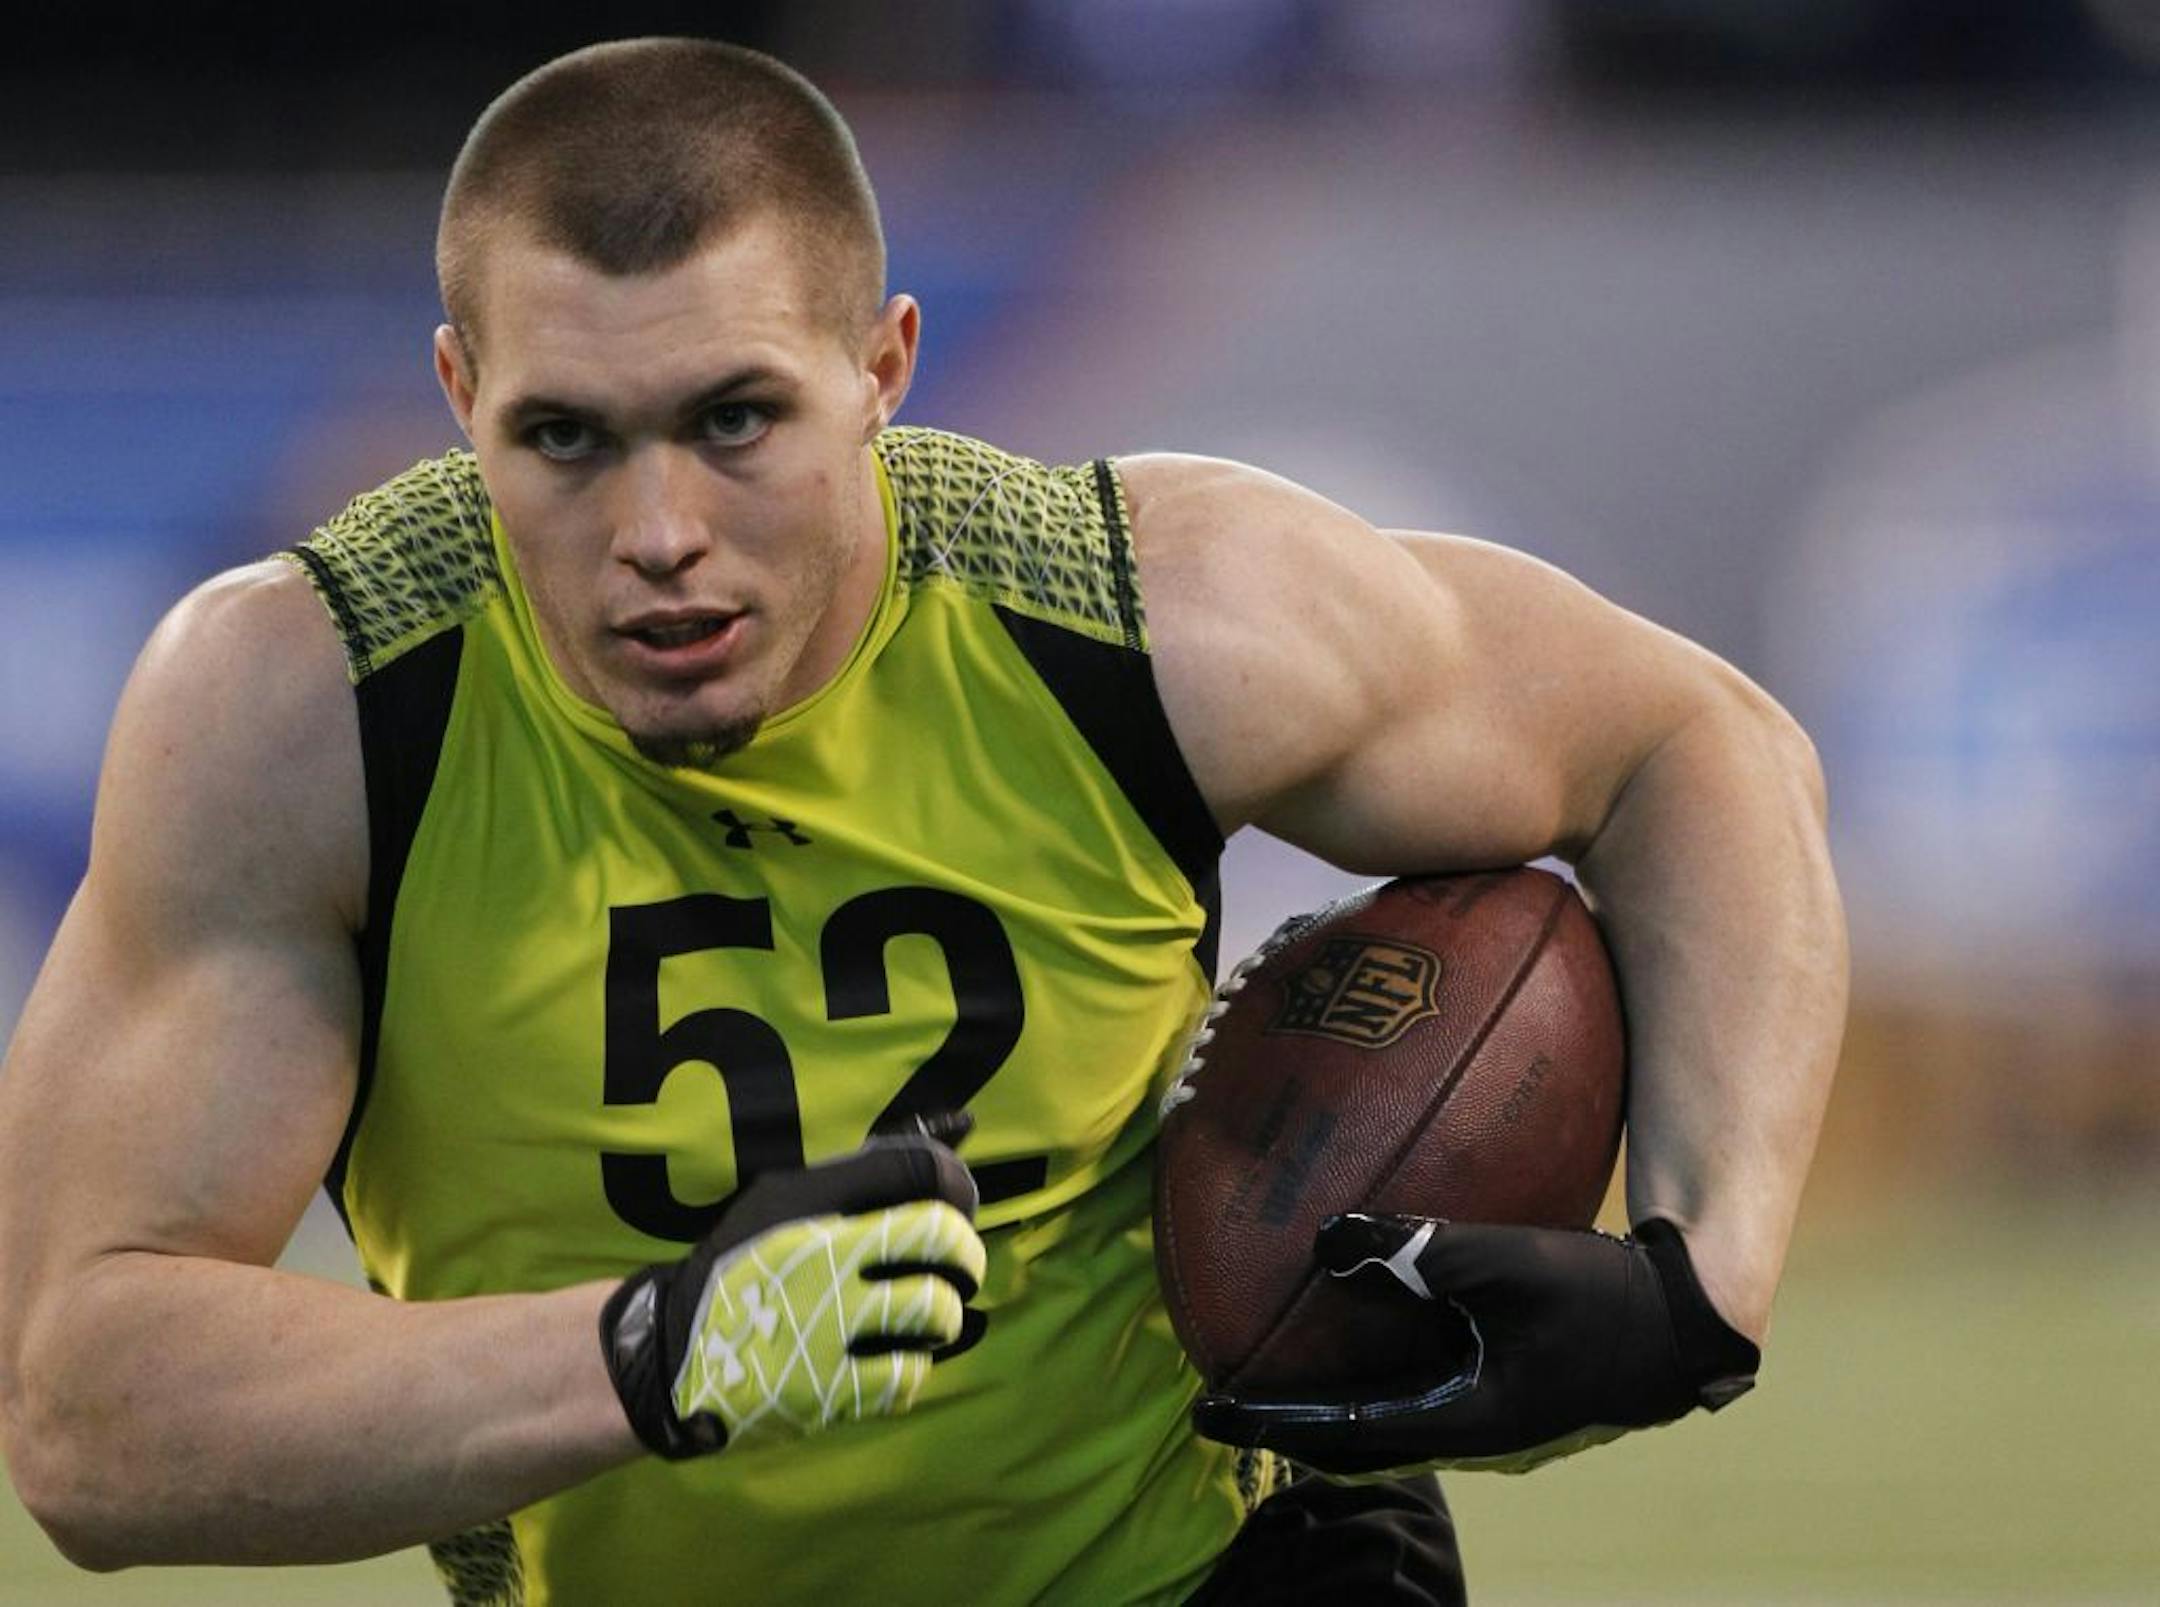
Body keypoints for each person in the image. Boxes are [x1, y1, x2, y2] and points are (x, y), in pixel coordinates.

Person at [0, 37, 1846, 1607]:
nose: (657, 531)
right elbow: (83, 1411)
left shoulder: (1141, 616)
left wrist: (1702, 1283)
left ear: (883, 369)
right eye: (565, 438)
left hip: (1209, 1568)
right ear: (459, 396)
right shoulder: (311, 710)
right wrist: (651, 1351)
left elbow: (1697, 746)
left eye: (737, 420)